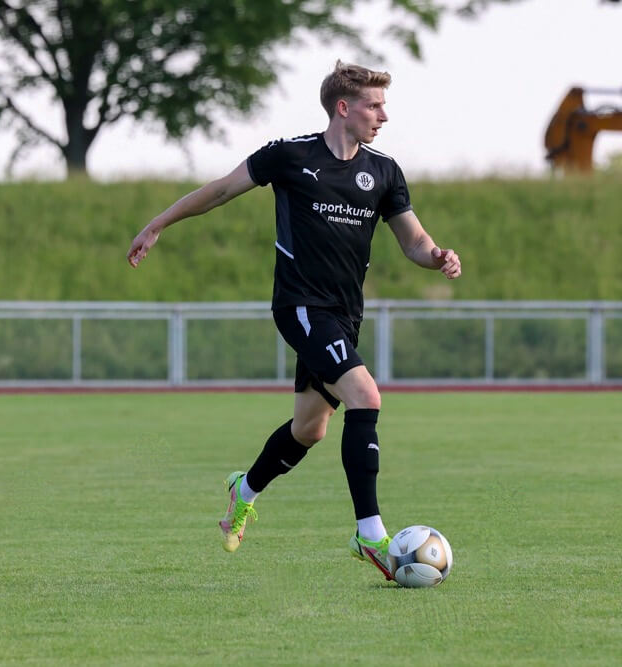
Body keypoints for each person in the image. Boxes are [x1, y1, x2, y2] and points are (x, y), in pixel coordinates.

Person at [126, 61, 461, 580]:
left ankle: (244, 490)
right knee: (365, 396)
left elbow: (413, 241)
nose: (384, 116)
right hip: (301, 306)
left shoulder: (385, 171)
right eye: (375, 105)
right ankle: (369, 534)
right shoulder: (288, 156)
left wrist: (436, 255)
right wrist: (158, 224)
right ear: (343, 108)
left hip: (345, 315)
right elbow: (219, 190)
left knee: (310, 429)